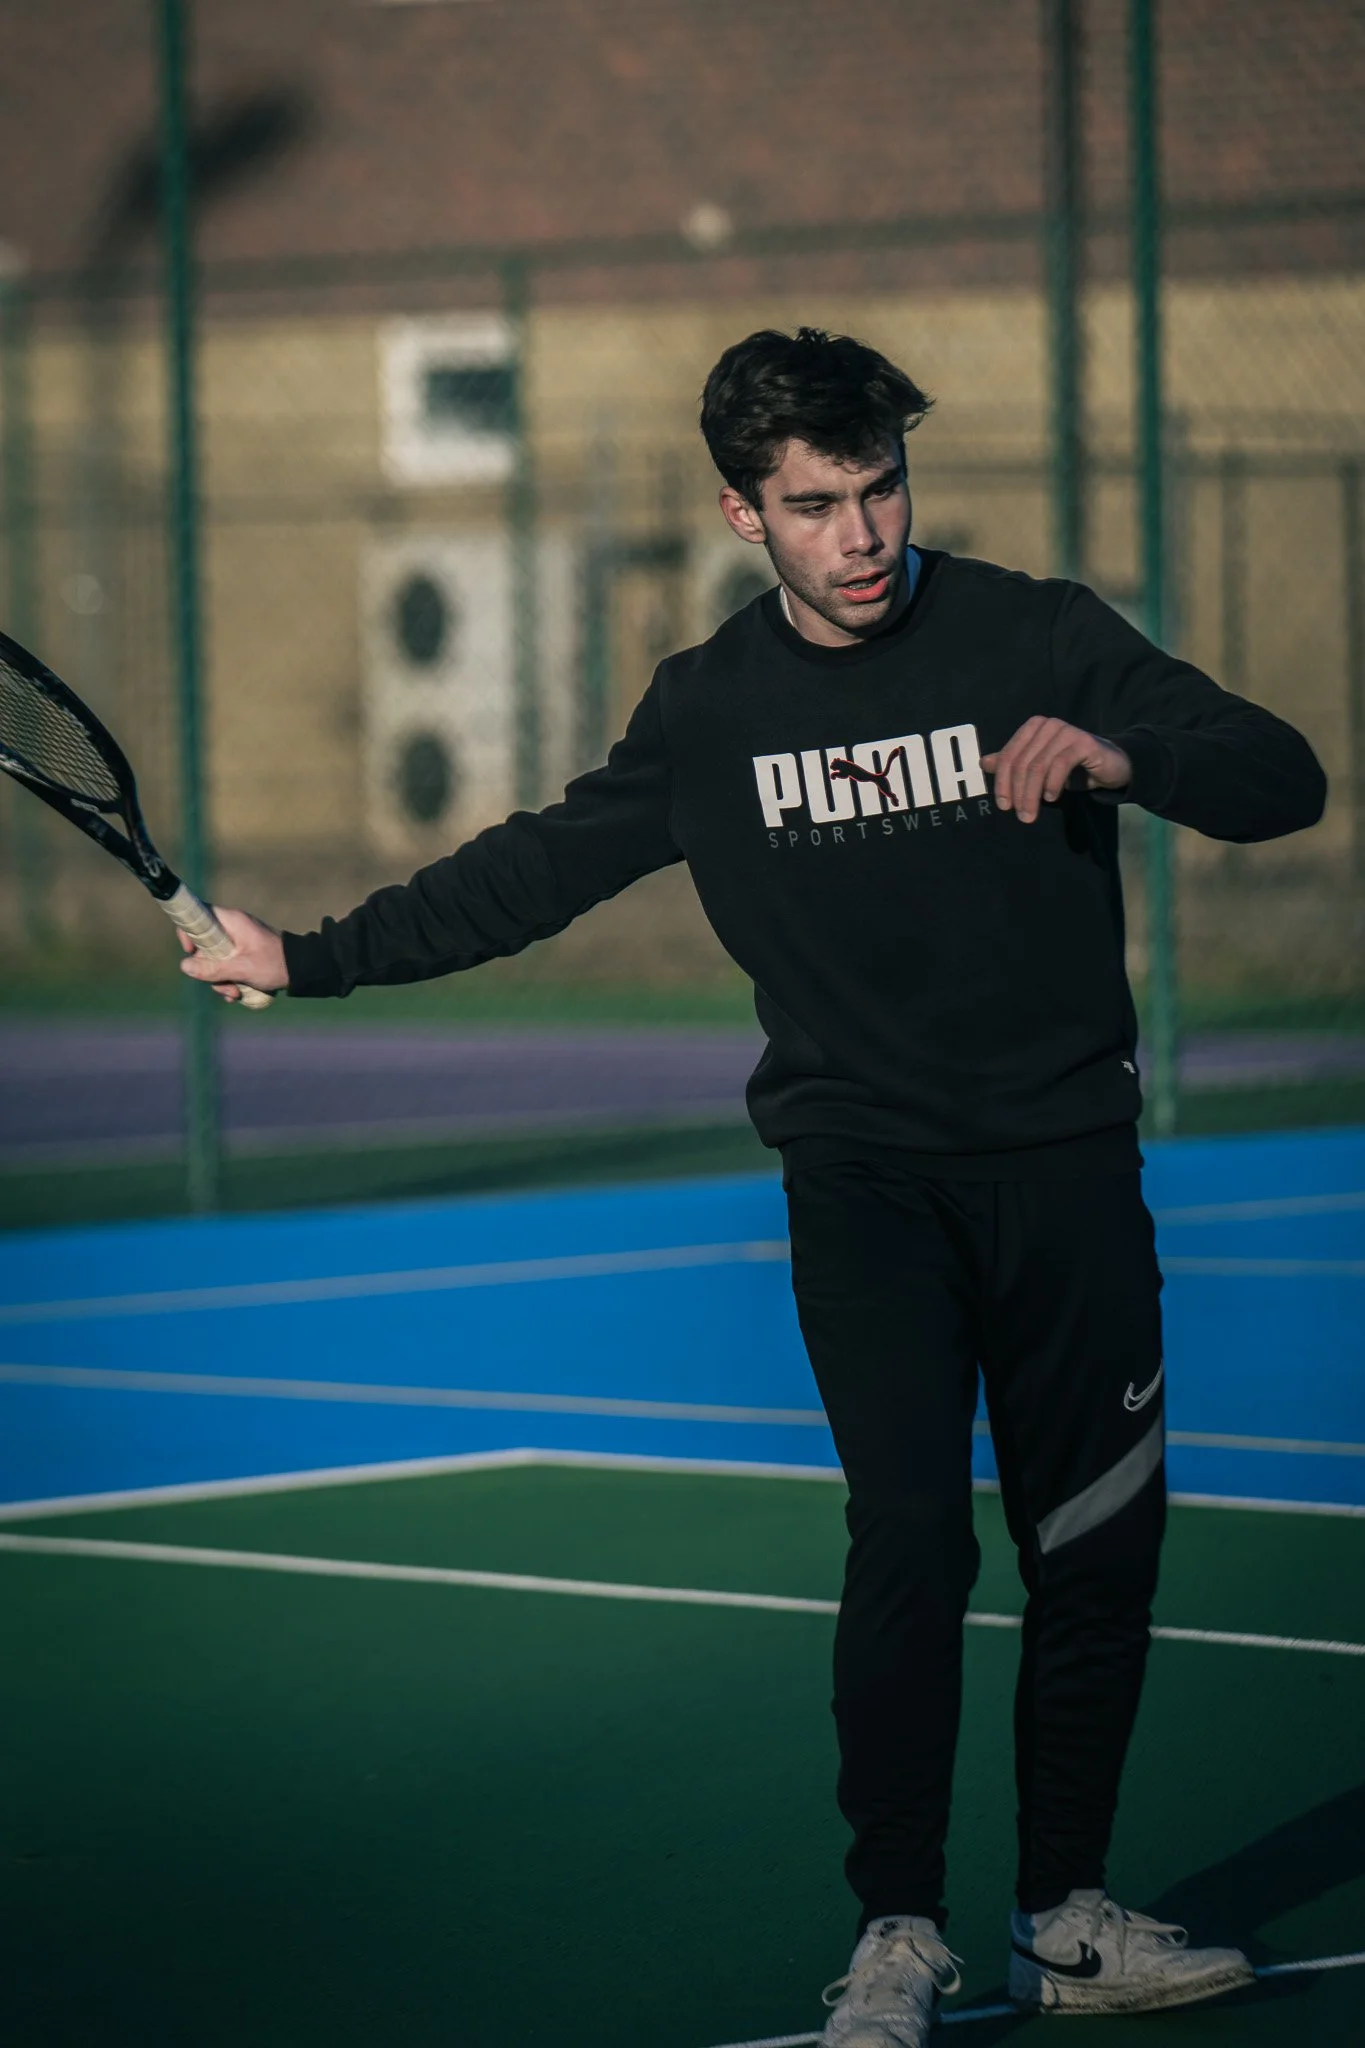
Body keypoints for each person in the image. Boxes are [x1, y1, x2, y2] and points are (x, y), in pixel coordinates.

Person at [184, 327, 1326, 2044]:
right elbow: (535, 870)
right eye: (815, 506)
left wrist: (1124, 759)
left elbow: (1283, 776)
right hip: (864, 1185)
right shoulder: (712, 710)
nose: (860, 537)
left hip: (1068, 1173)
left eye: (880, 491)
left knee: (1094, 1551)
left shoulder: (1041, 635)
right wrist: (314, 954)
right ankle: (896, 1932)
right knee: (915, 1533)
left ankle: (1068, 1914)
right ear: (743, 513)